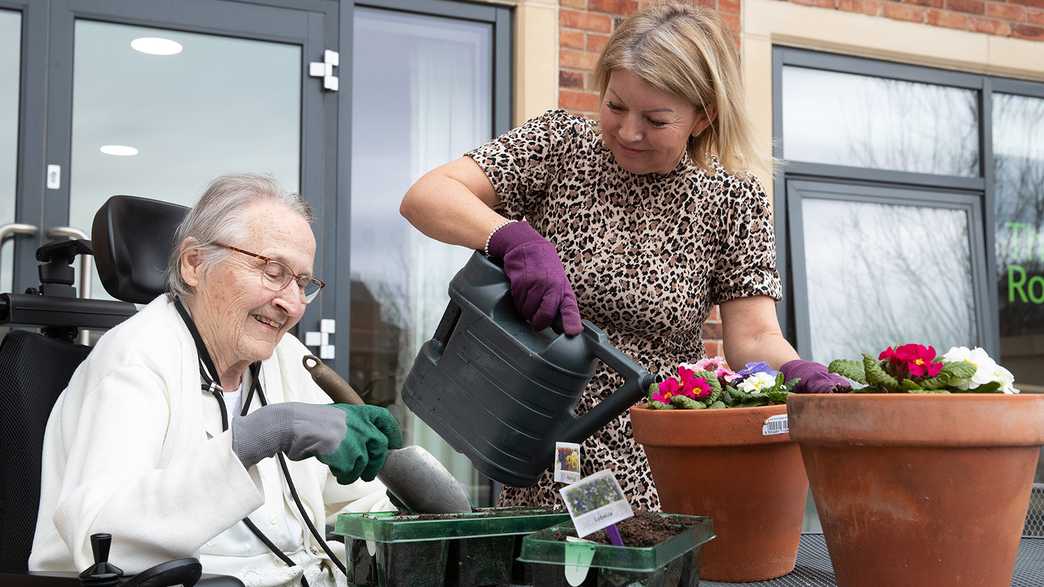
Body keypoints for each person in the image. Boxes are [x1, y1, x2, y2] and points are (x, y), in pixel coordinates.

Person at [399, 3, 848, 511]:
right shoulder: (560, 145)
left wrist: (797, 373)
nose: (629, 132)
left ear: (704, 116)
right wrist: (514, 239)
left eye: (656, 119)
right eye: (615, 107)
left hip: (655, 459)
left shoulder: (733, 199)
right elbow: (427, 196)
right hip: (539, 441)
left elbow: (754, 336)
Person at [30, 174, 402, 586]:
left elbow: (346, 499)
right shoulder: (135, 358)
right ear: (193, 263)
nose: (293, 304)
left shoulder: (287, 359)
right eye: (273, 270)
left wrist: (408, 500)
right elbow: (103, 537)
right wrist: (259, 437)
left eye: (302, 283)